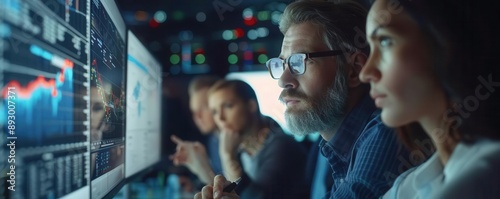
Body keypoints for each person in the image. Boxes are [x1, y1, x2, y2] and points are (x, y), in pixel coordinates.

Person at [195, 1, 416, 199]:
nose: (283, 80)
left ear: (354, 69)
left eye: (300, 61)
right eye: (281, 64)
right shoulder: (333, 149)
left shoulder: (385, 132)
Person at [359, 0, 500, 198]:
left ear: (448, 40)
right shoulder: (409, 185)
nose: (365, 73)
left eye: (385, 41)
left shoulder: (484, 178)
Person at [208, 79, 307, 199]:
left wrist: (228, 157)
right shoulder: (240, 146)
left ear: (251, 106)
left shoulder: (281, 145)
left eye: (228, 106)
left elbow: (258, 196)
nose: (220, 118)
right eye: (214, 112)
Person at [170, 75, 223, 184]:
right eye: (194, 111)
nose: (197, 117)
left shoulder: (237, 143)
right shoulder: (214, 139)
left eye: (203, 107)